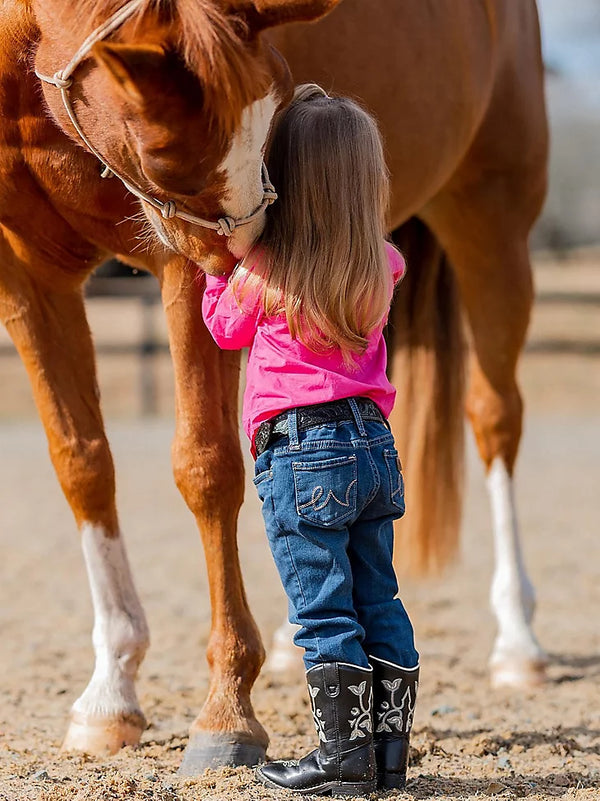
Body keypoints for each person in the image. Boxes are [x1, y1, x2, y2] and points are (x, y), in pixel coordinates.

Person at [202, 84, 419, 797]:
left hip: (301, 452)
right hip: (374, 445)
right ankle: (387, 754)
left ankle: (342, 757)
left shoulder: (265, 270)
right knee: (379, 597)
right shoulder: (383, 262)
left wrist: (218, 267)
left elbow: (223, 330)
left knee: (322, 607)